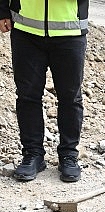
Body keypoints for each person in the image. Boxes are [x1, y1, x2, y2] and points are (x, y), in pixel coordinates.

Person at [0, 0, 88, 182]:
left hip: (69, 29)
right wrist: (2, 10)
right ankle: (33, 155)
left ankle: (69, 156)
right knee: (27, 96)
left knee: (70, 97)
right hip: (26, 30)